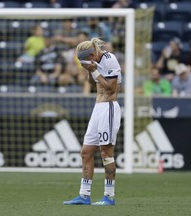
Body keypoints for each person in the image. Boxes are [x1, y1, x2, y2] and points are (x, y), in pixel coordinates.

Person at [63, 38, 122, 206]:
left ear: (92, 54)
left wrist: (94, 70)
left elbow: (111, 88)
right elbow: (92, 83)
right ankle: (84, 195)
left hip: (109, 107)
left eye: (87, 59)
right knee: (86, 151)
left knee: (106, 153)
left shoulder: (110, 60)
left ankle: (109, 196)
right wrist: (89, 71)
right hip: (98, 108)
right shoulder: (93, 62)